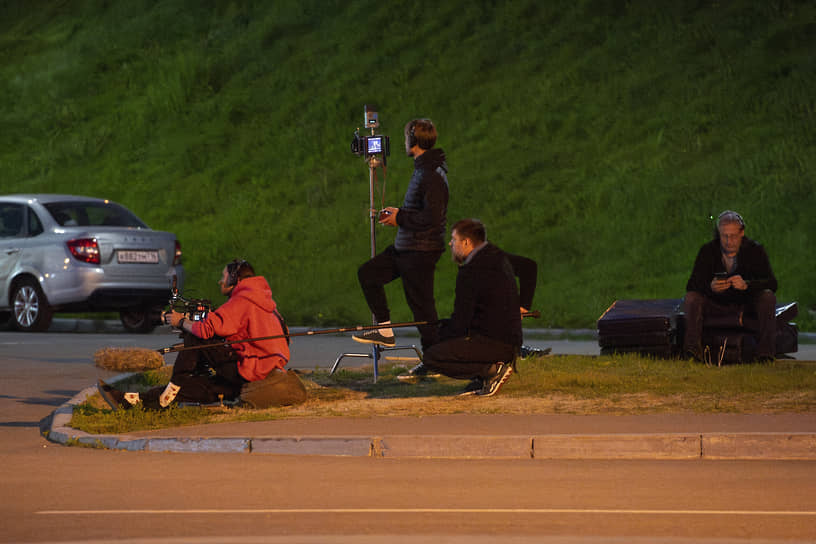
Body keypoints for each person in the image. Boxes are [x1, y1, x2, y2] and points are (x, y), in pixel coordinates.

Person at [98, 259, 292, 410]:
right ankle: (133, 401)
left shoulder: (243, 300)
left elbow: (206, 329)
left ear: (235, 279)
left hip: (249, 371)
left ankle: (175, 384)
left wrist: (180, 321)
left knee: (198, 333)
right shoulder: (266, 302)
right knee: (207, 388)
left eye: (223, 276)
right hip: (262, 373)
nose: (220, 280)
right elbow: (286, 336)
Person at [353, 118, 449, 351]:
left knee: (423, 311)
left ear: (414, 140)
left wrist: (401, 218)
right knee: (368, 274)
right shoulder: (424, 169)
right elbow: (421, 211)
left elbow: (432, 217)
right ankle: (384, 329)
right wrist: (399, 214)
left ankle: (436, 359)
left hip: (420, 252)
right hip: (408, 248)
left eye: (407, 138)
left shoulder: (431, 174)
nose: (404, 143)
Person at [420, 218, 523, 397]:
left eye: (454, 239)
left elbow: (460, 324)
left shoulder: (470, 272)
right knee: (447, 342)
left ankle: (489, 371)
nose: (451, 243)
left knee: (431, 357)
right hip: (511, 342)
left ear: (466, 242)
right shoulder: (496, 256)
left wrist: (437, 336)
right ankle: (485, 374)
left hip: (494, 344)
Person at [683, 211, 778, 362]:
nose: (729, 241)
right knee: (692, 298)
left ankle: (765, 354)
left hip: (746, 304)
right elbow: (692, 285)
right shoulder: (708, 251)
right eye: (724, 236)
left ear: (742, 233)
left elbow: (771, 283)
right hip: (716, 303)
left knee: (767, 297)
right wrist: (711, 287)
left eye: (733, 236)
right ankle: (692, 352)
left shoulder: (755, 251)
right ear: (719, 234)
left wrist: (746, 285)